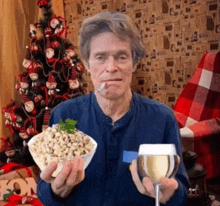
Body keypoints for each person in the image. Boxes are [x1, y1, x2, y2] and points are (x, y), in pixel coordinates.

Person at [37, 11, 189, 206]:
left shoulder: (161, 118)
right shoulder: (66, 117)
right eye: (100, 57)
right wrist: (55, 191)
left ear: (134, 63)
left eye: (122, 57)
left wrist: (169, 196)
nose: (111, 67)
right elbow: (44, 188)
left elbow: (181, 190)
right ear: (87, 65)